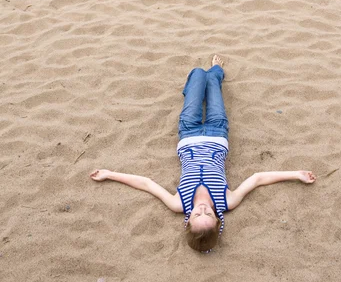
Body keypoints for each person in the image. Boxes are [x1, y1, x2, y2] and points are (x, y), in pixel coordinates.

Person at [90, 55, 316, 252]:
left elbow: (147, 184)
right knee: (213, 79)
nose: (203, 210)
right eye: (208, 215)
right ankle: (216, 70)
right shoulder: (227, 201)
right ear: (218, 220)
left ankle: (196, 82)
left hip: (188, 133)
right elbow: (258, 179)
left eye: (198, 216)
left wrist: (110, 174)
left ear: (187, 220)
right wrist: (296, 174)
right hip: (218, 132)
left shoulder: (179, 204)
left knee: (198, 74)